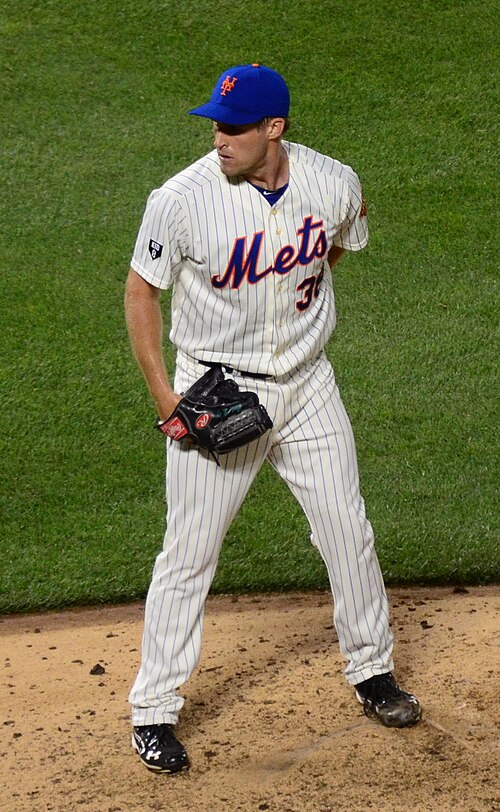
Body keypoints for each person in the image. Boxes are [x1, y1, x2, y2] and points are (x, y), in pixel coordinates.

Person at [124, 63, 421, 775]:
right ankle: (153, 710)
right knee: (190, 551)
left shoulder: (334, 181)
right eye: (215, 126)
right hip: (219, 390)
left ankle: (373, 672)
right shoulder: (181, 200)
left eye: (233, 128)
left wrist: (295, 309)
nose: (219, 139)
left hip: (309, 384)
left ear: (274, 129)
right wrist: (170, 400)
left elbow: (340, 242)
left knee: (347, 528)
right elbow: (140, 294)